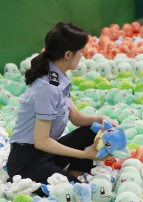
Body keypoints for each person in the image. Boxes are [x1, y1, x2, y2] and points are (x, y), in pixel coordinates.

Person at [6, 22, 114, 188]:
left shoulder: (58, 77)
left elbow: (77, 118)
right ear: (68, 55)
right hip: (27, 162)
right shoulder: (47, 87)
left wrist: (102, 119)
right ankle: (60, 177)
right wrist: (85, 154)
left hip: (45, 153)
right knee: (73, 192)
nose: (82, 57)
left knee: (91, 131)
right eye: (81, 52)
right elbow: (41, 141)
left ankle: (69, 174)